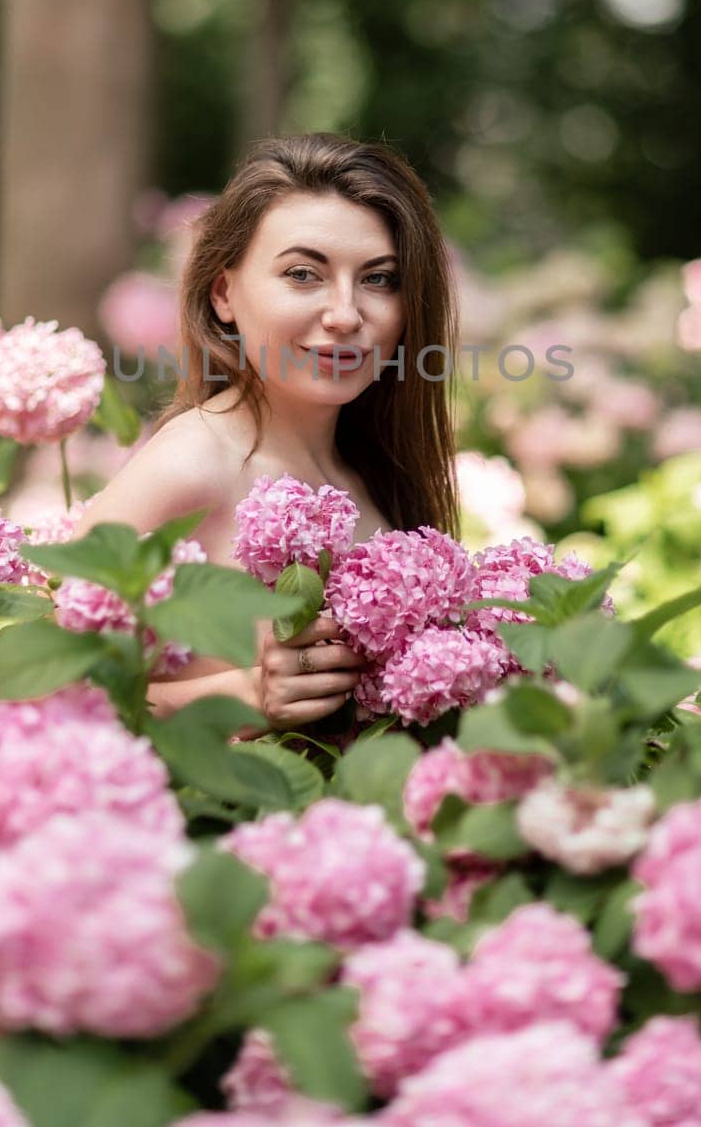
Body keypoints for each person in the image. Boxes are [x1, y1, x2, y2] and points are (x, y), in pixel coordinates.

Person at [71, 131, 460, 728]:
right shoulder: (195, 461)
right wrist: (243, 697)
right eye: (304, 274)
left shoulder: (374, 473)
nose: (345, 314)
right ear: (224, 293)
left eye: (380, 279)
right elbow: (33, 686)